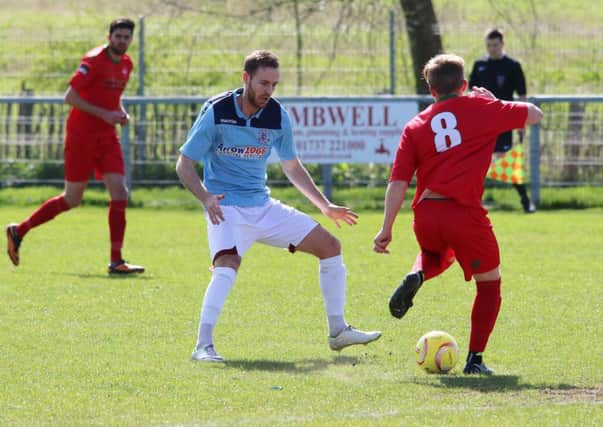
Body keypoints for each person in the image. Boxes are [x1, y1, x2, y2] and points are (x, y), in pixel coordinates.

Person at [176, 50, 381, 362]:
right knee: (227, 266)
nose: (268, 91)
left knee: (330, 246)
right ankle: (203, 346)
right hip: (225, 207)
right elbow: (184, 164)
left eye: (274, 84)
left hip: (263, 206)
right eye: (263, 83)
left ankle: (338, 331)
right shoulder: (217, 111)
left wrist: (324, 206)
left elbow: (292, 167)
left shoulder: (277, 115)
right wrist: (205, 197)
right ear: (246, 78)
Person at [373, 54, 543, 374]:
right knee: (489, 285)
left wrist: (386, 229)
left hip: (426, 212)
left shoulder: (415, 125)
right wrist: (496, 102)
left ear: (431, 90)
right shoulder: (482, 107)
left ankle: (418, 274)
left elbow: (397, 182)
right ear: (463, 84)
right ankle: (475, 360)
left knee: (435, 253)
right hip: (464, 213)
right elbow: (535, 114)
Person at [6, 18, 144, 275]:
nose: (122, 41)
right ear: (109, 36)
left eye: (126, 37)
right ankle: (19, 230)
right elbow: (70, 97)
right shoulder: (92, 60)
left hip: (107, 138)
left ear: (131, 40)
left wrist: (121, 113)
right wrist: (104, 114)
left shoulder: (127, 64)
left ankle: (116, 261)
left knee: (120, 194)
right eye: (118, 36)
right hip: (81, 137)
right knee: (72, 199)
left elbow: (114, 98)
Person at [469, 28, 535, 213]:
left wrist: (522, 121)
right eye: (489, 45)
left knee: (505, 160)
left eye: (495, 45)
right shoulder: (479, 65)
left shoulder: (512, 65)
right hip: (481, 122)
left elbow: (522, 94)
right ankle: (472, 201)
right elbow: (471, 93)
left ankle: (525, 201)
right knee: (477, 162)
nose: (492, 48)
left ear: (502, 44)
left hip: (504, 120)